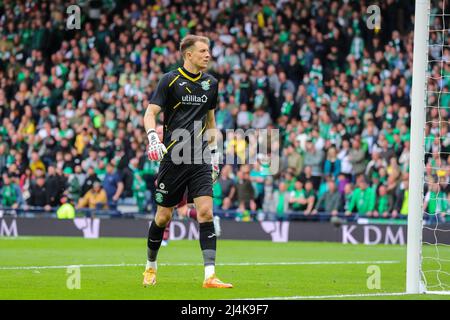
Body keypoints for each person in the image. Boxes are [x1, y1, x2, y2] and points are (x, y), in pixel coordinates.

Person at [142, 35, 232, 288]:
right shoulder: (170, 81)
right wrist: (153, 138)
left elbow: (211, 124)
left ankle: (210, 276)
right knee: (163, 217)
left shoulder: (211, 83)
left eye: (209, 50)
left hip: (200, 157)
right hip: (173, 157)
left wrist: (214, 154)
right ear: (188, 54)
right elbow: (150, 114)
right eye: (203, 51)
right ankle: (150, 266)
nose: (208, 55)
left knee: (205, 212)